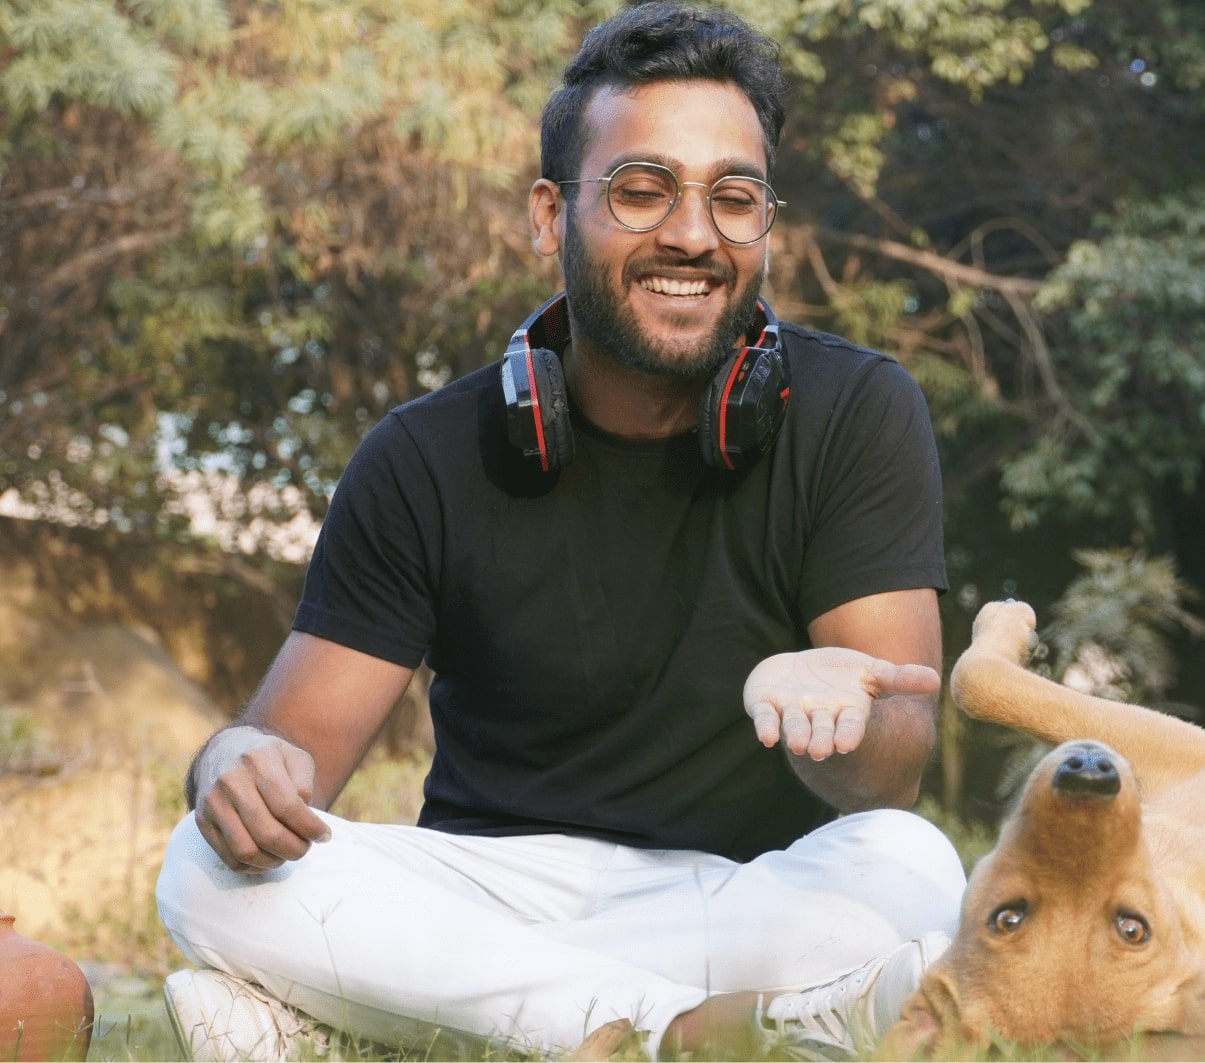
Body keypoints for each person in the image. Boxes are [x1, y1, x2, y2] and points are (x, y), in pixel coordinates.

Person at [152, 4, 965, 1059]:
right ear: (549, 215)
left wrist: (844, 711)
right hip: (488, 898)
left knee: (911, 862)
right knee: (202, 867)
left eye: (735, 198)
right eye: (641, 189)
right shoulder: (421, 456)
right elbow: (284, 760)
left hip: (741, 899)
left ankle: (385, 1025)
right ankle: (679, 1031)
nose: (691, 234)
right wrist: (231, 764)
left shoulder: (859, 409)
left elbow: (893, 772)